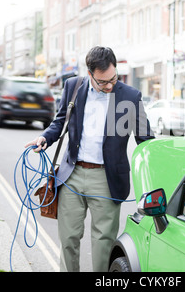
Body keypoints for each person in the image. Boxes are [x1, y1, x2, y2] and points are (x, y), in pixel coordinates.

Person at [25, 46, 154, 272]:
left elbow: (147, 140)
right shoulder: (73, 87)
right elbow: (60, 121)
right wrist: (45, 137)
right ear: (90, 74)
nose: (110, 85)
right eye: (103, 81)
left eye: (113, 78)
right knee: (68, 240)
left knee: (103, 244)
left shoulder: (131, 97)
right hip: (72, 175)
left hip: (107, 179)